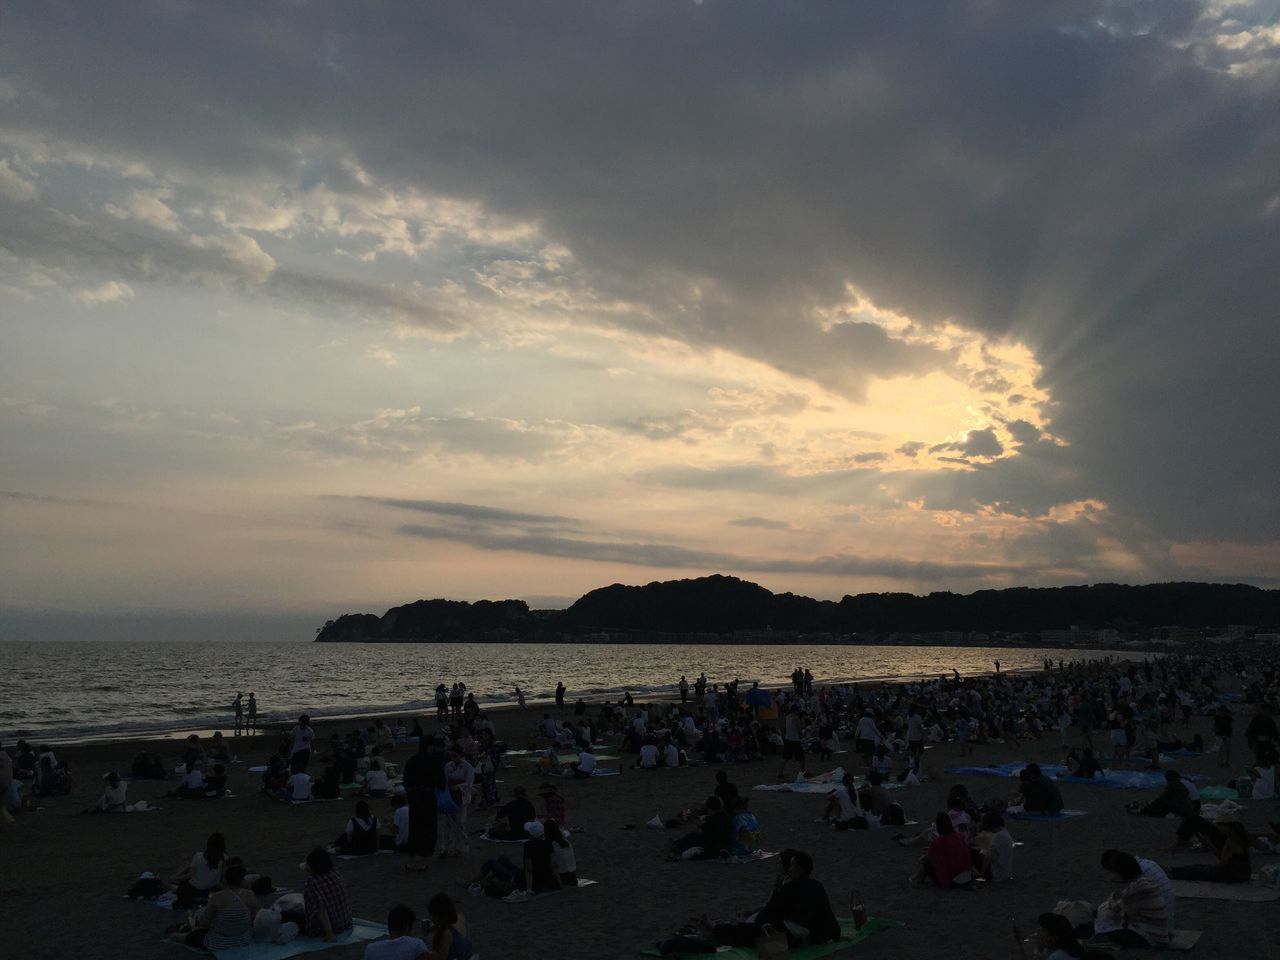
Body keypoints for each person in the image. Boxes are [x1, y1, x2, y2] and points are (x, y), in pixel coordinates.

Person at [690, 849, 840, 949]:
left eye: (792, 866)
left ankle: (715, 930)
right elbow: (827, 912)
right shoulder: (816, 885)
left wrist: (759, 919)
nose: (789, 868)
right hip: (811, 934)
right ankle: (717, 928)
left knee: (749, 932)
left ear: (798, 868)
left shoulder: (791, 887)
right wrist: (835, 933)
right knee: (751, 927)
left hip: (794, 937)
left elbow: (772, 911)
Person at [1076, 850, 1170, 948]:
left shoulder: (1137, 888)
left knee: (1092, 928)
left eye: (1114, 872)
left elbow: (1112, 912)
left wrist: (1111, 899)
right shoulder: (1144, 882)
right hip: (1155, 932)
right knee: (1095, 924)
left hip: (1150, 937)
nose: (1112, 876)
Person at [169, 862, 258, 951]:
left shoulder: (217, 897)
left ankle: (174, 935)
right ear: (241, 880)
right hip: (244, 940)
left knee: (180, 936)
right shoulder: (250, 895)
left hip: (218, 943)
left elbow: (205, 924)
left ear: (225, 880)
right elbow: (253, 919)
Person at [1169, 809, 1252, 883]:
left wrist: (1208, 843)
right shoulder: (1240, 837)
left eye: (1220, 826)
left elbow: (1222, 862)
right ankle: (1172, 871)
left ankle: (1171, 872)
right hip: (1243, 874)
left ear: (1226, 826)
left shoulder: (1231, 841)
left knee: (1197, 870)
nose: (1219, 829)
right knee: (1199, 867)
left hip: (1232, 875)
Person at [401, 736, 444, 871]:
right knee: (428, 830)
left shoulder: (411, 761)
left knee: (415, 829)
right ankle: (422, 861)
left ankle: (413, 860)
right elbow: (441, 782)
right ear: (429, 747)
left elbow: (406, 783)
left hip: (415, 800)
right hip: (428, 800)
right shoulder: (432, 761)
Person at [302, 847, 353, 942]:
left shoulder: (311, 882)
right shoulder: (334, 872)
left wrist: (329, 934)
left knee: (290, 916)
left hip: (329, 927)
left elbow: (321, 909)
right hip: (345, 922)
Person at [914, 811, 974, 887]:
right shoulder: (960, 838)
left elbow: (929, 857)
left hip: (954, 880)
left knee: (928, 863)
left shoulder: (939, 842)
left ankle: (918, 878)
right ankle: (917, 877)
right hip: (967, 877)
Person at [169, 832, 228, 907]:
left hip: (193, 889)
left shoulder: (199, 856)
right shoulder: (224, 858)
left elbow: (189, 875)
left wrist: (176, 878)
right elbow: (222, 876)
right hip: (208, 888)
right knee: (189, 867)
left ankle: (174, 881)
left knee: (186, 869)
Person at [1014, 912, 1084, 960]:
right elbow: (1034, 938)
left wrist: (1020, 946)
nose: (1038, 931)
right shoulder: (1072, 946)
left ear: (1053, 938)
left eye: (1043, 930)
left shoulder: (1056, 957)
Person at [422, 893, 472, 960]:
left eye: (433, 915)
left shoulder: (446, 934)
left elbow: (441, 958)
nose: (432, 918)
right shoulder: (460, 917)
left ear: (438, 915)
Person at [522, 819, 562, 894]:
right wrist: (559, 883)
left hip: (535, 881)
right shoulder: (548, 843)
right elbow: (554, 865)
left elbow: (529, 869)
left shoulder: (528, 846)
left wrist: (529, 889)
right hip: (547, 878)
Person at [972, 810, 1014, 881]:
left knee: (972, 853)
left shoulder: (998, 836)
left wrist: (982, 874)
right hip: (1005, 872)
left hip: (997, 874)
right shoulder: (1005, 832)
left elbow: (988, 857)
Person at [546, 818, 578, 886]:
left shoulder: (552, 845)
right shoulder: (566, 842)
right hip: (573, 876)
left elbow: (554, 865)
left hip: (563, 876)